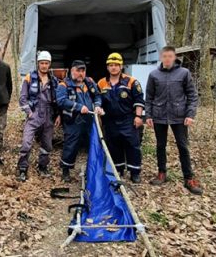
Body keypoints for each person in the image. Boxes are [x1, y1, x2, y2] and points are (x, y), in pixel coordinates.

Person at [145, 45, 202, 195]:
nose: (167, 59)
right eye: (165, 56)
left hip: (179, 116)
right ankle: (162, 173)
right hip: (159, 115)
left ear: (175, 57)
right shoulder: (154, 75)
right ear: (160, 57)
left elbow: (192, 95)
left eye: (170, 56)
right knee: (160, 145)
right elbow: (149, 97)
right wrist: (148, 116)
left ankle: (188, 178)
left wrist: (190, 114)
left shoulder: (184, 73)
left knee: (183, 146)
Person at [97, 53, 145, 183]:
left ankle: (135, 172)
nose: (113, 68)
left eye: (116, 65)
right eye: (111, 65)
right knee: (113, 145)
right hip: (110, 120)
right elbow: (98, 99)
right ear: (107, 67)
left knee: (132, 145)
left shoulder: (131, 81)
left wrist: (138, 116)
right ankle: (118, 169)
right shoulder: (101, 83)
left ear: (121, 66)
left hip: (128, 119)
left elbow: (139, 99)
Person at [16, 51, 60, 182]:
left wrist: (58, 115)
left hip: (49, 114)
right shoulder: (30, 77)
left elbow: (58, 100)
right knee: (26, 143)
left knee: (47, 144)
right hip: (34, 113)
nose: (44, 66)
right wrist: (29, 112)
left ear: (49, 64)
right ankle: (22, 169)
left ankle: (43, 167)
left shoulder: (54, 80)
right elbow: (22, 98)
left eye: (46, 63)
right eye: (42, 63)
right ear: (38, 63)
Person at [56, 60, 103, 182]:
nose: (81, 73)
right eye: (78, 70)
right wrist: (78, 107)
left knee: (92, 145)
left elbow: (98, 95)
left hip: (90, 120)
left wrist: (97, 105)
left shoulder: (90, 82)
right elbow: (61, 101)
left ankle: (91, 171)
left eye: (83, 71)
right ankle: (65, 171)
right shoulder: (64, 85)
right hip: (73, 121)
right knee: (70, 146)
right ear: (72, 71)